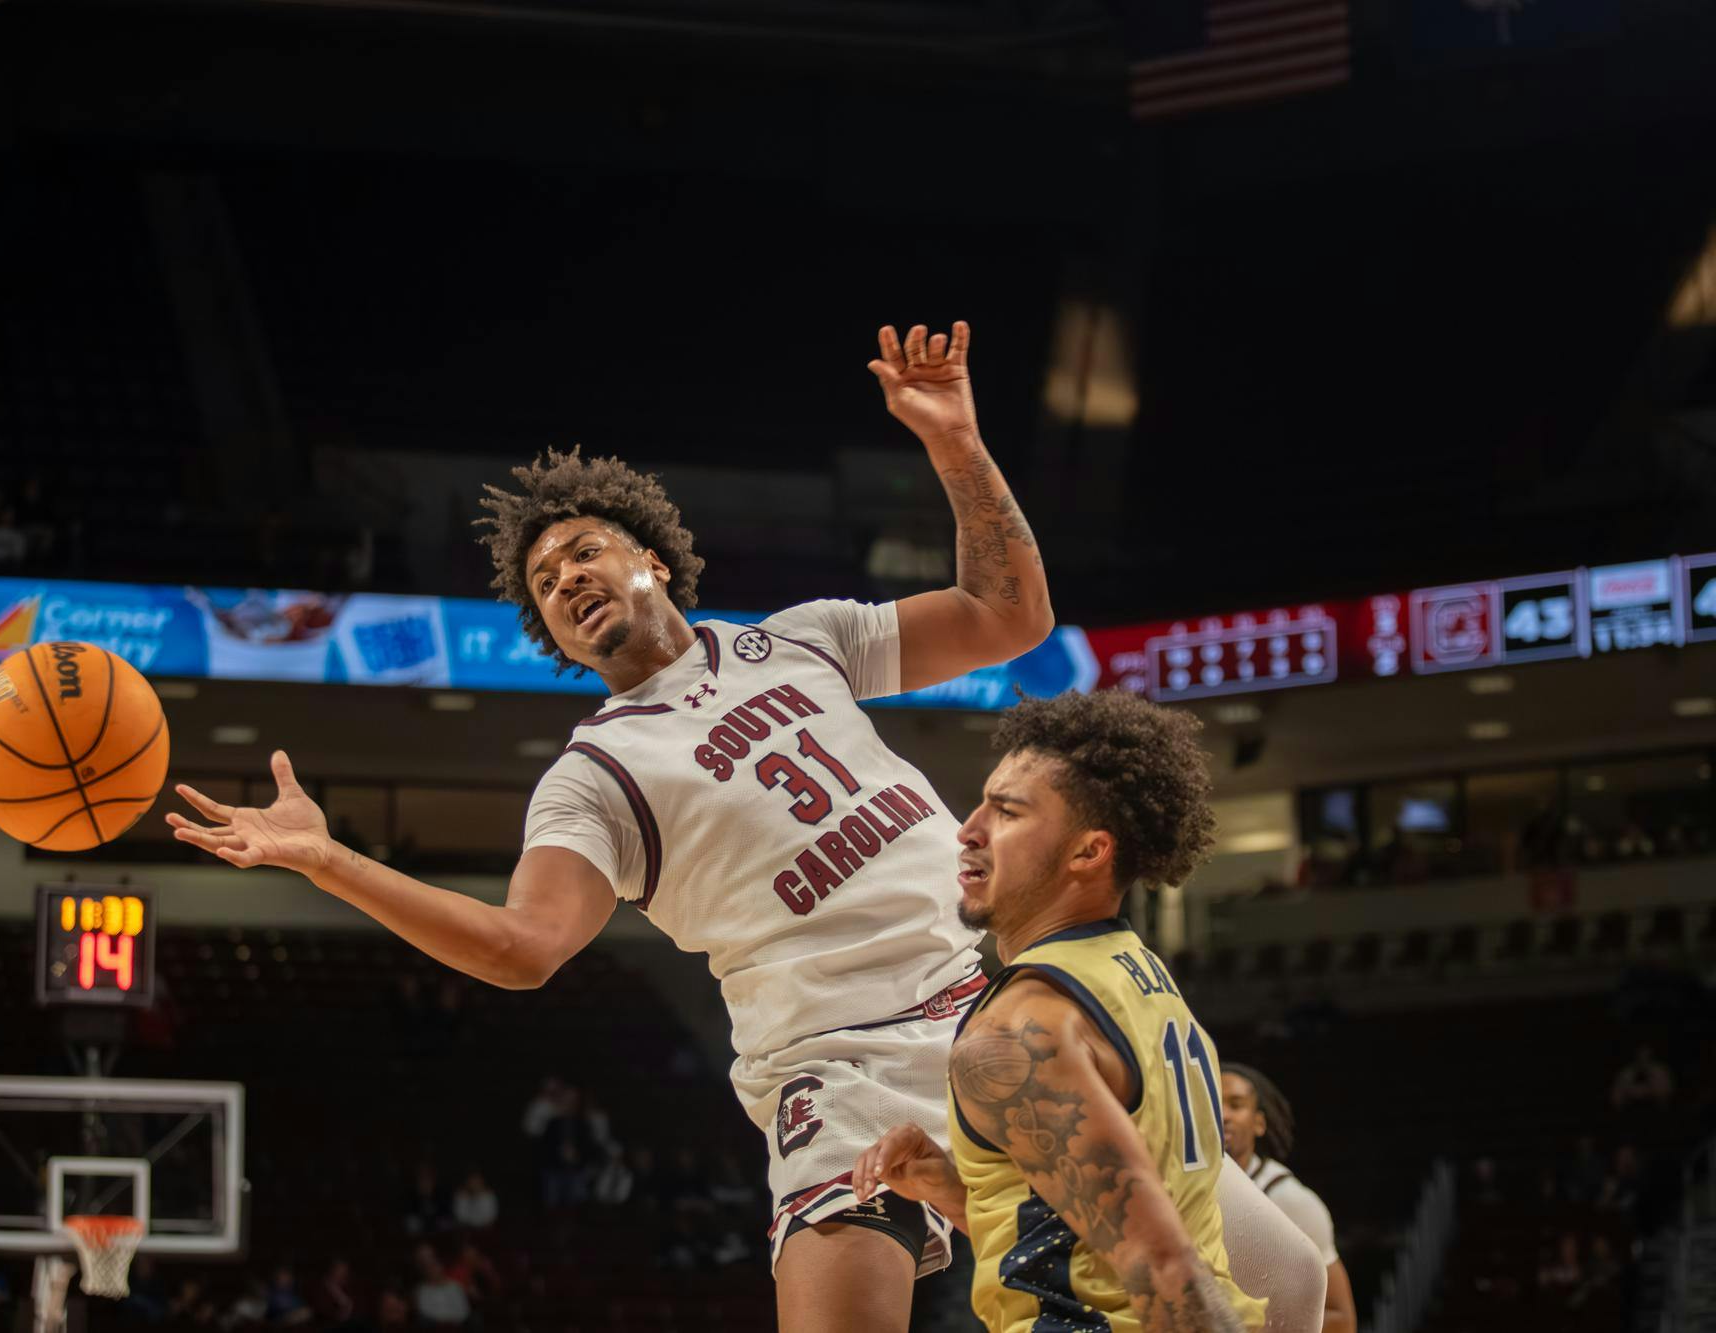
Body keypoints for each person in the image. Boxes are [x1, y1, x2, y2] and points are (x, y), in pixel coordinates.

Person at [169, 322, 1056, 1331]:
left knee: (1213, 1289)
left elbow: (1007, 617)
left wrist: (951, 440)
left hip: (992, 999)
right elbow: (521, 949)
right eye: (545, 586)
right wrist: (329, 860)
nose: (565, 581)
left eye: (581, 553)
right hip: (839, 1065)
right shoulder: (591, 778)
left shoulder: (798, 640)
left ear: (649, 555)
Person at [850, 693, 1327, 1332]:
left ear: (1088, 852)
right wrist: (965, 1194)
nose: (969, 828)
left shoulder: (1016, 1034)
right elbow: (1094, 1236)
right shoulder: (1136, 969)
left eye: (1008, 812)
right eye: (983, 802)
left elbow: (1159, 1267)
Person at [1221, 1064, 1358, 1333]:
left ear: (1259, 1123)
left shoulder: (1290, 1200)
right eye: (1213, 1103)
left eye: (1236, 1105)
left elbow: (1337, 1314)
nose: (1223, 1114)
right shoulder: (1183, 1188)